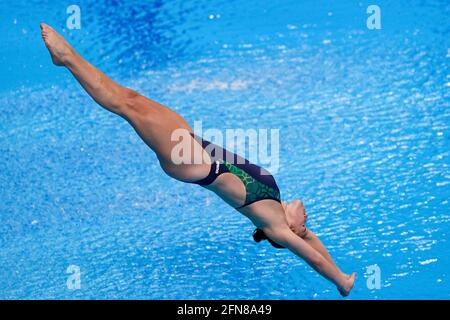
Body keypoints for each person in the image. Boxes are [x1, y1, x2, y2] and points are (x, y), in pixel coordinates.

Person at [40, 23, 355, 296]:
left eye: (306, 227)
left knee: (126, 105)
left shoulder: (276, 226)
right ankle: (68, 59)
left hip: (190, 161)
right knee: (131, 98)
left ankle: (66, 58)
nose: (308, 222)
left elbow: (313, 258)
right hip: (191, 145)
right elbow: (318, 247)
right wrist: (335, 264)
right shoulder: (277, 204)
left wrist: (341, 281)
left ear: (293, 231)